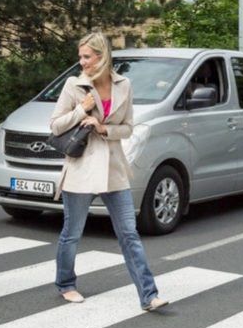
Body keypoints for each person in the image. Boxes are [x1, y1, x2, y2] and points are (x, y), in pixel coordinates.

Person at [50, 32, 167, 312]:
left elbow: (127, 127)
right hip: (81, 169)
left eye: (87, 57)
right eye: (80, 57)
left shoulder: (124, 85)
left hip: (114, 169)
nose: (82, 62)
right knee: (72, 233)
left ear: (102, 57)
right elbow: (55, 126)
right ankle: (66, 284)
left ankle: (148, 295)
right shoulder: (73, 85)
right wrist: (82, 110)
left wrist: (104, 128)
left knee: (129, 234)